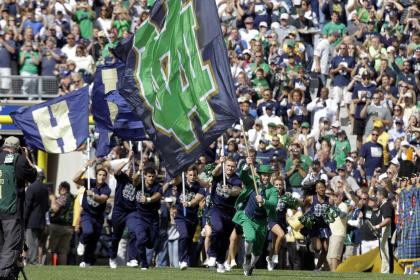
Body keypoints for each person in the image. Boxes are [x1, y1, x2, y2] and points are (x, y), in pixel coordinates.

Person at [233, 160, 278, 276]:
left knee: (257, 252)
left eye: (268, 175)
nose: (265, 177)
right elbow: (242, 176)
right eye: (263, 174)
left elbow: (273, 203)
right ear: (259, 175)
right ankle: (247, 256)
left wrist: (263, 201)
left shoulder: (273, 190)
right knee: (250, 237)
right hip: (247, 217)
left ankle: (251, 266)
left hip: (262, 223)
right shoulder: (253, 182)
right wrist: (246, 166)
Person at [0, 136, 37, 279]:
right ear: (18, 148)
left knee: (1, 247)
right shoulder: (18, 159)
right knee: (11, 249)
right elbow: (33, 176)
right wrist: (26, 156)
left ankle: (10, 275)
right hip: (11, 212)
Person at [207, 156, 241, 273]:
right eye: (228, 166)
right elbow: (213, 173)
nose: (230, 168)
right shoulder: (219, 175)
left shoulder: (236, 179)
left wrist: (229, 191)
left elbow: (237, 190)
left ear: (235, 167)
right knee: (218, 229)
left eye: (232, 166)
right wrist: (219, 164)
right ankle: (212, 255)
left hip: (230, 211)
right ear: (224, 166)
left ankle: (220, 262)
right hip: (217, 208)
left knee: (225, 239)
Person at [73, 163, 111, 267]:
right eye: (100, 174)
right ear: (96, 175)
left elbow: (102, 199)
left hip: (98, 217)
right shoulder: (90, 182)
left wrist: (93, 196)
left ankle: (86, 261)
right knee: (88, 231)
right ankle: (81, 242)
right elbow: (75, 179)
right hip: (87, 214)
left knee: (93, 241)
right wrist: (84, 167)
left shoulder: (106, 188)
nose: (102, 177)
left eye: (104, 175)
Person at [108, 152, 138, 269]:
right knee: (116, 236)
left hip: (131, 212)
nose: (131, 171)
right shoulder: (122, 178)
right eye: (130, 169)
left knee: (133, 232)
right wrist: (127, 160)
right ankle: (112, 257)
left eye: (133, 169)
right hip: (119, 211)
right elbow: (115, 171)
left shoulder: (138, 183)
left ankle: (132, 259)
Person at [174, 165, 205, 270]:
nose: (192, 177)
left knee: (189, 240)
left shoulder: (199, 186)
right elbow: (175, 180)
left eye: (194, 175)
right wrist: (180, 167)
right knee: (184, 235)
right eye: (190, 175)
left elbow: (197, 199)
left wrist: (189, 203)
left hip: (192, 218)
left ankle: (187, 260)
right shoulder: (181, 183)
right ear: (186, 174)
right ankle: (182, 261)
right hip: (180, 216)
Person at [132, 166, 163, 270]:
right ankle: (144, 263)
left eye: (153, 176)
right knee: (141, 240)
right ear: (145, 176)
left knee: (150, 244)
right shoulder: (139, 184)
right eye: (149, 176)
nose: (151, 178)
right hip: (140, 216)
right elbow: (134, 179)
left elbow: (158, 195)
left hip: (153, 217)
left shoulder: (157, 186)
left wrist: (148, 199)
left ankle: (145, 250)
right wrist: (139, 171)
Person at [24, 169, 50, 265]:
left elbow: (27, 205)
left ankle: (32, 261)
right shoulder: (45, 189)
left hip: (31, 220)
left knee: (31, 242)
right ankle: (35, 261)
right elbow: (47, 206)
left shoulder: (32, 188)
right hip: (41, 220)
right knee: (37, 242)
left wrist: (24, 218)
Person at [304, 179, 331, 271]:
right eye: (319, 188)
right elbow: (304, 205)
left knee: (326, 249)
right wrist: (307, 215)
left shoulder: (329, 199)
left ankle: (317, 268)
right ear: (316, 190)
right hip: (314, 226)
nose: (321, 189)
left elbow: (334, 210)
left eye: (323, 187)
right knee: (318, 248)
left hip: (324, 226)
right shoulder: (311, 198)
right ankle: (309, 240)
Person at [48, 181, 74, 266]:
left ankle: (49, 267)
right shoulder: (72, 197)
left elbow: (54, 208)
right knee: (63, 251)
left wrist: (52, 200)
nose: (58, 190)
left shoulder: (63, 197)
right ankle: (62, 268)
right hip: (69, 228)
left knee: (51, 249)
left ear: (63, 189)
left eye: (59, 187)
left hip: (58, 226)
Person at [375, 188, 395, 273]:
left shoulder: (386, 205)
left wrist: (377, 226)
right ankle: (385, 271)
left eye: (377, 195)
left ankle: (387, 272)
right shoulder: (384, 205)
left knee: (387, 254)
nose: (376, 197)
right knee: (384, 254)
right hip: (384, 234)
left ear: (381, 196)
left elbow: (387, 220)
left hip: (387, 234)